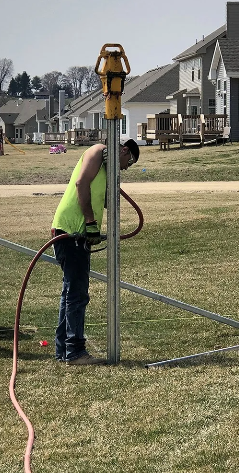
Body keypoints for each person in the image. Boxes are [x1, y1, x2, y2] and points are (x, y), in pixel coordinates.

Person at [51, 138, 140, 365]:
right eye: (127, 163)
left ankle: (64, 350)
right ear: (124, 150)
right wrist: (90, 222)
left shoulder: (106, 167)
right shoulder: (98, 151)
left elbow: (107, 200)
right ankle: (75, 352)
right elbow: (81, 184)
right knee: (77, 294)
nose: (124, 168)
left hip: (78, 234)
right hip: (71, 231)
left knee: (71, 291)